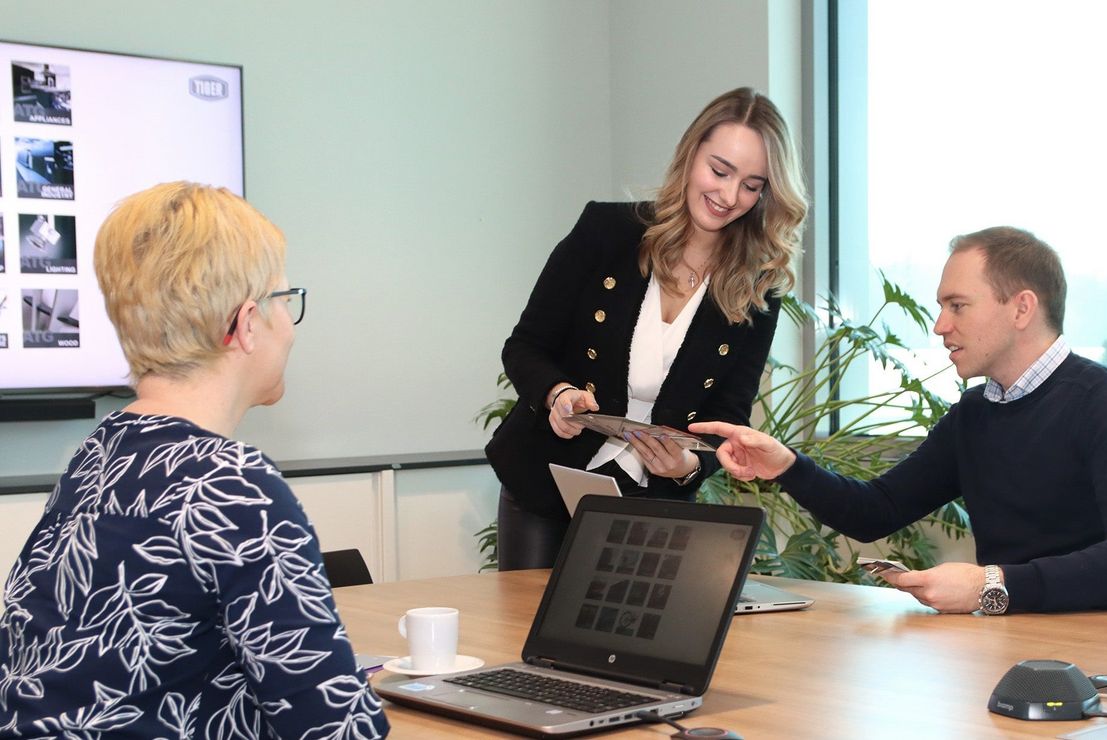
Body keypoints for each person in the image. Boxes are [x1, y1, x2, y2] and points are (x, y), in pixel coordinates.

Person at [0, 183, 390, 737]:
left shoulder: (97, 455)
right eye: (285, 300)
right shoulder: (233, 486)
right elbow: (334, 728)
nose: (290, 325)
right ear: (246, 323)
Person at [692, 226, 1107, 615]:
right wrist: (785, 466)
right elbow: (874, 511)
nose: (940, 325)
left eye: (957, 306)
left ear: (1022, 308)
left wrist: (993, 585)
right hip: (1016, 647)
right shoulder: (975, 414)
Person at [486, 88, 808, 570]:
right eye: (719, 171)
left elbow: (728, 415)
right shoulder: (606, 231)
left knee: (630, 642)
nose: (728, 195)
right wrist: (558, 395)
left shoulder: (757, 285)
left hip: (653, 501)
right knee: (525, 637)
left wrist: (688, 467)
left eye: (751, 184)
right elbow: (525, 346)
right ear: (690, 153)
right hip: (546, 485)